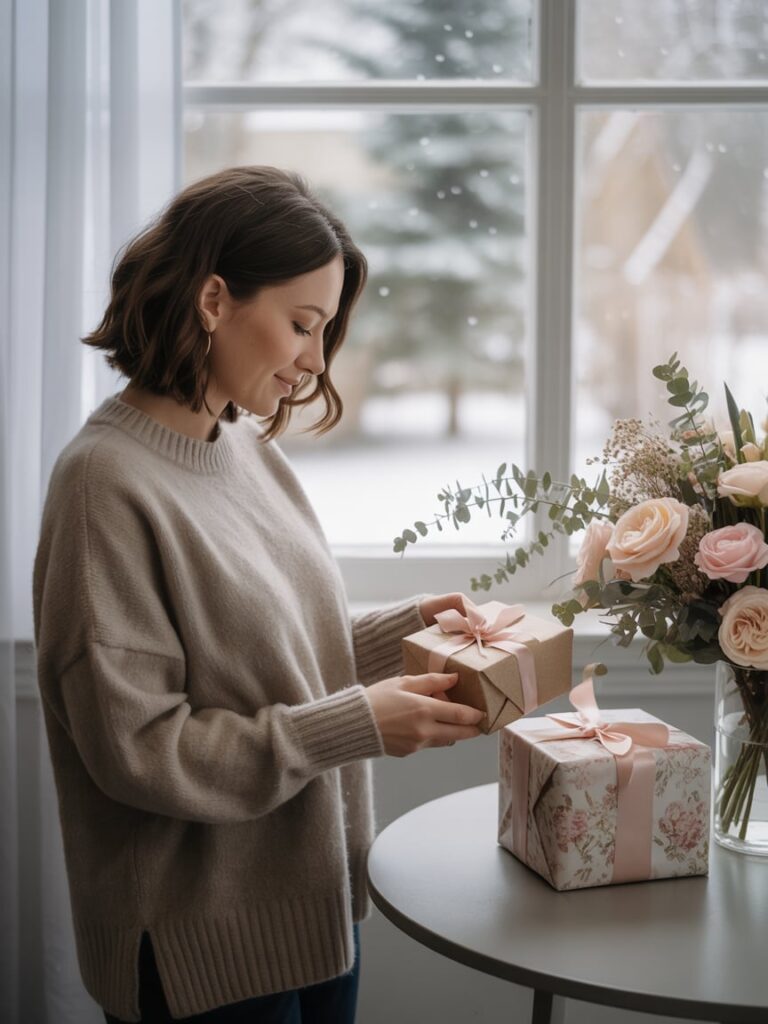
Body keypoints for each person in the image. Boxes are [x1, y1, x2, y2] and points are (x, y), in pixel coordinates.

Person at [32, 165, 486, 1024]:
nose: (316, 363)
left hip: (316, 920)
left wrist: (406, 631)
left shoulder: (240, 446)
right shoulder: (104, 485)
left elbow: (262, 653)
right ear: (212, 301)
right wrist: (359, 723)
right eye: (302, 326)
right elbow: (141, 751)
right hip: (204, 956)